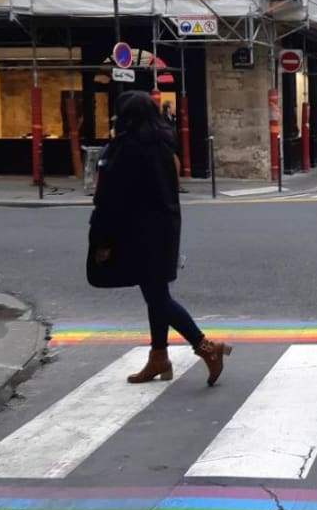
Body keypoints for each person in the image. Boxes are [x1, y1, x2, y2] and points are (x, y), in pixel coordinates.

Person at [89, 91, 231, 386]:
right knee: (155, 294)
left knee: (158, 297)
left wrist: (102, 241)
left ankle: (206, 348)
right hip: (163, 230)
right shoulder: (163, 145)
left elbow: (110, 200)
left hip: (136, 234)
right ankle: (158, 356)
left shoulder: (126, 148)